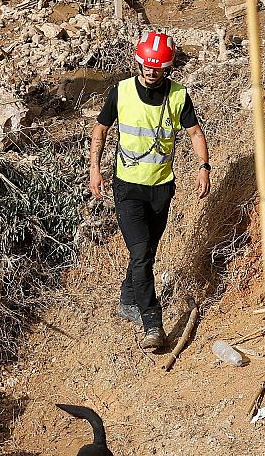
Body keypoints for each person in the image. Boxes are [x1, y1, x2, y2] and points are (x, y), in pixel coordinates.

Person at [88, 31, 212, 350]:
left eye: (157, 67)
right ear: (138, 62)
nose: (151, 71)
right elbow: (100, 129)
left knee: (145, 253)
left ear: (167, 68)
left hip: (161, 188)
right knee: (142, 253)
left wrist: (203, 167)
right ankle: (152, 323)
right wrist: (94, 169)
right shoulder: (122, 92)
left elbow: (195, 133)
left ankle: (128, 298)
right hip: (127, 187)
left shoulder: (179, 96)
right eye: (146, 65)